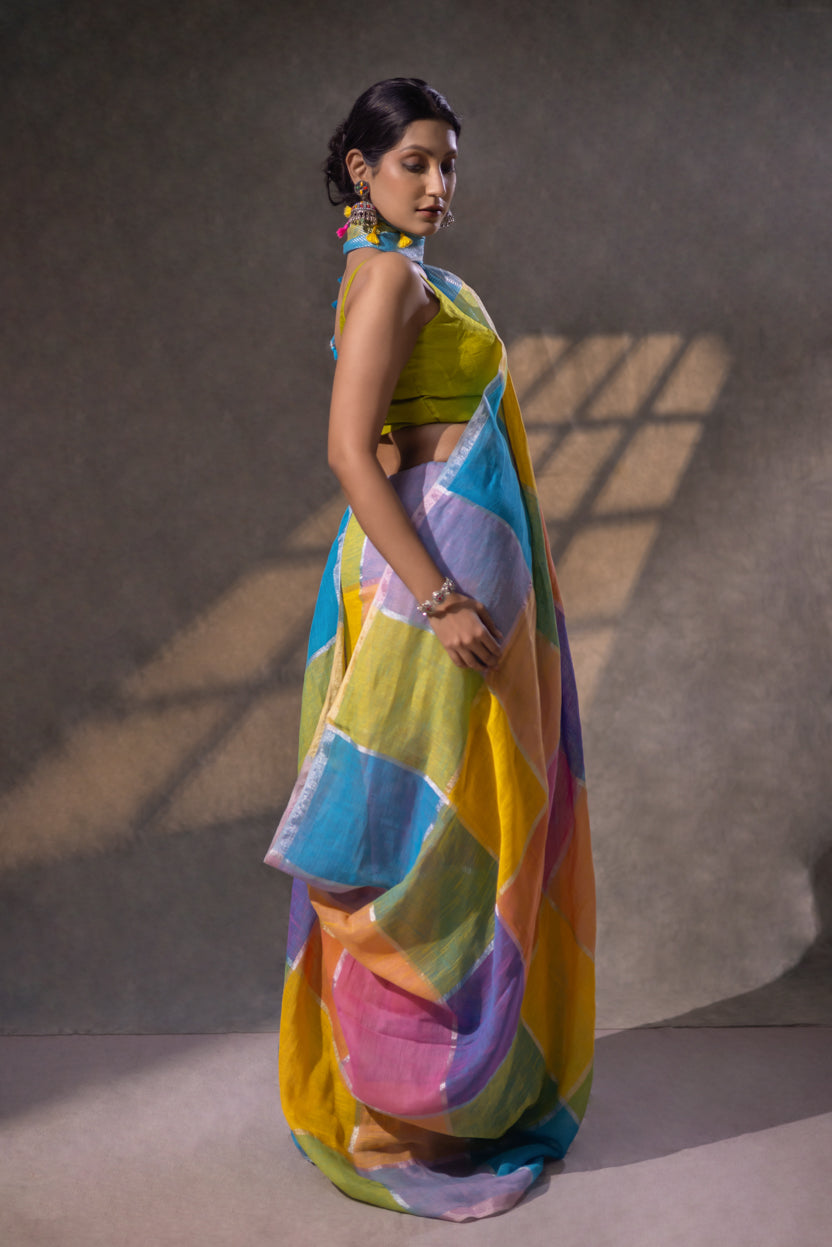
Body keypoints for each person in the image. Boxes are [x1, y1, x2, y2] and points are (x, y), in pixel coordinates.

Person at [264, 78, 596, 1222]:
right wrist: (447, 595)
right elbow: (353, 454)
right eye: (413, 162)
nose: (439, 184)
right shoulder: (392, 277)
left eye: (448, 163)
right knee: (419, 852)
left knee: (468, 835)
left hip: (450, 580)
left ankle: (456, 1092)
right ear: (362, 168)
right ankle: (410, 1105)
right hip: (424, 591)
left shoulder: (408, 270)